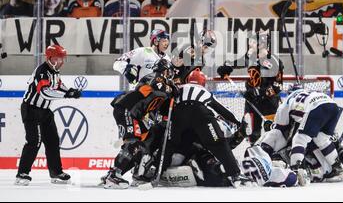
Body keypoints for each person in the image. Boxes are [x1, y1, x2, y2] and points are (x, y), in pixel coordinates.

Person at [164, 69, 249, 187]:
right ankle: (234, 174)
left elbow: (165, 106)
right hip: (200, 115)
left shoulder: (179, 88)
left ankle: (159, 169)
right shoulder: (204, 91)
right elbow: (222, 109)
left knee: (173, 144)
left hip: (179, 115)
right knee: (219, 143)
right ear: (202, 82)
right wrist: (237, 122)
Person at [103, 59, 175, 188]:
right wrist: (171, 88)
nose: (170, 74)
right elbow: (155, 86)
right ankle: (113, 176)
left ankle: (117, 172)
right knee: (132, 141)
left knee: (140, 146)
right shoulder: (154, 77)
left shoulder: (162, 91)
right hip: (127, 108)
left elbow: (156, 106)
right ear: (164, 70)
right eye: (168, 71)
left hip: (135, 114)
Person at [15, 44, 81, 186]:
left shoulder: (54, 71)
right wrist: (66, 95)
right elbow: (45, 92)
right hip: (31, 109)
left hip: (45, 111)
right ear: (50, 58)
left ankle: (56, 173)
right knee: (34, 142)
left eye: (62, 58)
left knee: (53, 141)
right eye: (58, 58)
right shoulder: (42, 71)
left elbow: (58, 86)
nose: (61, 61)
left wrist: (70, 90)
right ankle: (22, 173)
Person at [260, 88, 343, 186]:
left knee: (299, 139)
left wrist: (271, 126)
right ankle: (337, 169)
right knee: (322, 139)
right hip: (333, 105)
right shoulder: (306, 92)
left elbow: (278, 130)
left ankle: (295, 170)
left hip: (316, 108)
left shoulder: (285, 104)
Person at [217, 31, 283, 146]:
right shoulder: (251, 56)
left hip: (269, 104)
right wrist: (228, 66)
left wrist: (258, 92)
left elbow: (277, 86)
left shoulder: (273, 61)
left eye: (252, 42)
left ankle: (274, 159)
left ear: (261, 44)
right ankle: (226, 153)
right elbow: (241, 61)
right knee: (248, 130)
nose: (249, 44)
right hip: (252, 101)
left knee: (272, 132)